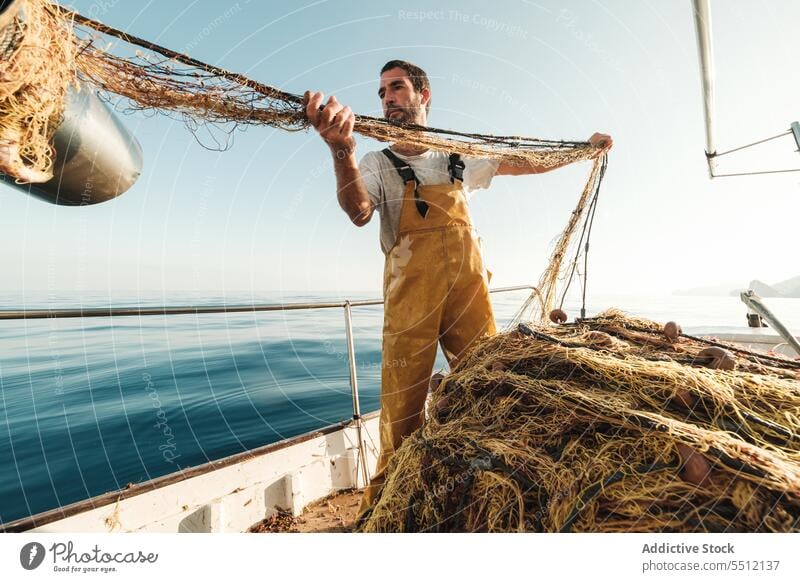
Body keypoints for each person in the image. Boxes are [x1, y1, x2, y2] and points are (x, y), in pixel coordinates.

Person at [305, 59, 612, 516]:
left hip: (469, 295)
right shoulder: (375, 162)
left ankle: (493, 493)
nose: (387, 98)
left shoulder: (453, 154)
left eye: (397, 88)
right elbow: (359, 211)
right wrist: (341, 149)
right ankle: (390, 509)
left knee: (488, 391)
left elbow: (519, 161)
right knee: (401, 412)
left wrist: (578, 152)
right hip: (410, 303)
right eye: (382, 92)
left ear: (423, 95)